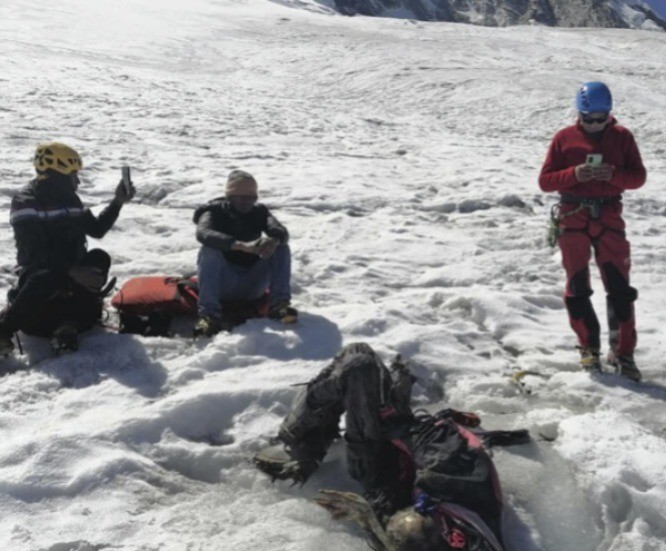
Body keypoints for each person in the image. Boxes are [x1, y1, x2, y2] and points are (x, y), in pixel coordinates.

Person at [254, 343, 514, 550]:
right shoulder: (455, 469)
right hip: (403, 460)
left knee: (358, 363)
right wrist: (391, 415)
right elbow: (422, 437)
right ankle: (304, 441)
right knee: (359, 356)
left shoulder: (443, 510)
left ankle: (298, 444)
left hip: (383, 475)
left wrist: (367, 515)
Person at [538, 81, 646, 381]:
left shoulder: (623, 137)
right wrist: (574, 175)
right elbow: (545, 181)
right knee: (577, 287)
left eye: (602, 119)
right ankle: (589, 349)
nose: (596, 125)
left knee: (620, 289)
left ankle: (623, 353)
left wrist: (613, 174)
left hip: (609, 218)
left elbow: (638, 177)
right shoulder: (564, 139)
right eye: (590, 119)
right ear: (580, 114)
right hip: (573, 218)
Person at [0, 142, 133, 354]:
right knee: (45, 275)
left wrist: (118, 202)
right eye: (73, 175)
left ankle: (68, 324)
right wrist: (72, 271)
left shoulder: (70, 199)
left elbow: (96, 230)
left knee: (99, 258)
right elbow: (34, 254)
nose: (77, 181)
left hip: (71, 274)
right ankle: (3, 331)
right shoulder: (26, 202)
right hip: (41, 277)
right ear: (58, 175)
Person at [192, 170, 296, 336]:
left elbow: (279, 230)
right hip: (223, 285)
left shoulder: (259, 212)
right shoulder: (213, 211)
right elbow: (203, 233)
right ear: (230, 196)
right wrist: (238, 245)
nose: (248, 202)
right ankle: (208, 315)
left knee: (281, 247)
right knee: (209, 249)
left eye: (252, 197)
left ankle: (279, 306)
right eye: (242, 197)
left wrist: (273, 240)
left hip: (252, 283)